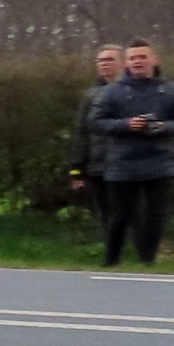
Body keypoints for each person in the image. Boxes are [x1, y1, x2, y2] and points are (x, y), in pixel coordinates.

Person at [92, 40, 174, 267]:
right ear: (126, 63)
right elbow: (97, 122)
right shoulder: (112, 91)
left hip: (160, 160)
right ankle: (111, 262)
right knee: (119, 216)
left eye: (142, 57)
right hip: (122, 162)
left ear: (154, 60)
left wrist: (163, 127)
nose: (137, 62)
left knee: (155, 216)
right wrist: (126, 124)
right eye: (132, 58)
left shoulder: (172, 90)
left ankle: (148, 261)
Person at [69, 44, 124, 226]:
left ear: (123, 63)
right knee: (106, 213)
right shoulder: (90, 96)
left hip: (128, 164)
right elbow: (81, 132)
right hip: (98, 166)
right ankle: (113, 249)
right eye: (100, 60)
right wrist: (77, 171)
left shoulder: (134, 92)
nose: (104, 64)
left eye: (109, 59)